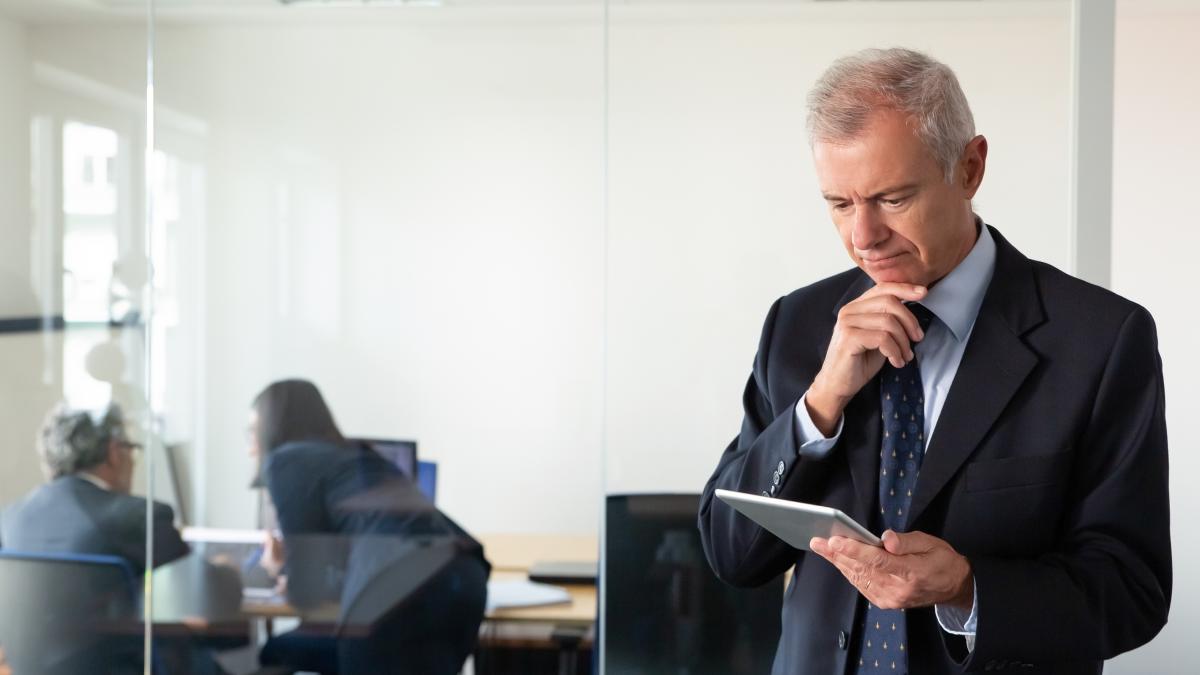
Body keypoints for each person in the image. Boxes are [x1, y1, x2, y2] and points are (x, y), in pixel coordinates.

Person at [698, 48, 1170, 675]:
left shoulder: (1102, 340)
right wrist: (819, 406)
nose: (863, 237)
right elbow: (731, 555)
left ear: (970, 168)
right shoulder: (798, 325)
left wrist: (968, 588)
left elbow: (1132, 590)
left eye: (892, 199)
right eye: (840, 204)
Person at [249, 378, 490, 675]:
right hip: (464, 578)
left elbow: (305, 592)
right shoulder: (354, 456)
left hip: (397, 591)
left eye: (253, 431)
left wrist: (278, 568)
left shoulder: (286, 460)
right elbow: (357, 566)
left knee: (276, 652)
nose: (251, 447)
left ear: (272, 427)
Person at [0, 403, 188, 571]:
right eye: (131, 449)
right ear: (114, 452)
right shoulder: (140, 518)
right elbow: (190, 593)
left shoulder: (9, 519)